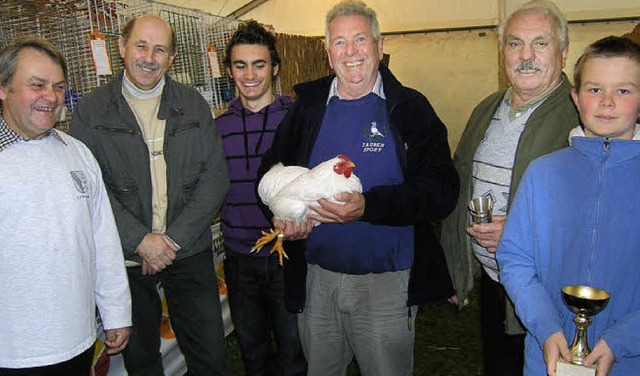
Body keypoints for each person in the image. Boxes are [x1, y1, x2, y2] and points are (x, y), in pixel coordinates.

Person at [256, 1, 458, 374]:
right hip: (317, 279)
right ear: (328, 52)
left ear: (380, 47)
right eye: (340, 42)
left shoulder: (409, 108)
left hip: (386, 284)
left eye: (361, 39)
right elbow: (271, 172)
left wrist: (370, 206)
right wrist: (285, 216)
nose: (351, 52)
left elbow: (442, 189)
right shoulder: (308, 110)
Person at [69, 15, 231, 375]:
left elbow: (215, 178)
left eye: (160, 49)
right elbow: (89, 190)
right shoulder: (91, 112)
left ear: (172, 58)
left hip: (186, 249)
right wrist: (140, 240)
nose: (149, 57)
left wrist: (170, 240)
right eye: (141, 46)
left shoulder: (192, 105)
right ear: (122, 48)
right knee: (141, 361)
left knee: (211, 356)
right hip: (125, 258)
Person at [439, 1, 579, 374]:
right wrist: (457, 267)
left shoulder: (583, 116)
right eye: (515, 44)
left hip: (552, 291)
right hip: (495, 285)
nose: (526, 56)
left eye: (541, 44)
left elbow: (596, 212)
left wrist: (521, 234)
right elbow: (460, 182)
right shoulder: (487, 108)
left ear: (564, 52)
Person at [497, 36, 640, 376]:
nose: (607, 102)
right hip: (551, 354)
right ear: (575, 97)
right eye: (594, 90)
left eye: (623, 91)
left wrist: (621, 341)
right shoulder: (543, 173)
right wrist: (547, 329)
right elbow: (515, 258)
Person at [0, 36, 131, 375]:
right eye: (37, 85)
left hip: (76, 339)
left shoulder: (76, 152)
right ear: (3, 89)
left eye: (59, 87)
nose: (51, 97)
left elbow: (103, 238)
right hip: (11, 349)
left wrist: (116, 312)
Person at [216, 20, 306, 375]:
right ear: (228, 71)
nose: (249, 74)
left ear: (275, 68)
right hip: (239, 260)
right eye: (240, 65)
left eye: (259, 64)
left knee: (293, 353)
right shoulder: (217, 128)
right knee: (252, 353)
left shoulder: (296, 118)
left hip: (288, 256)